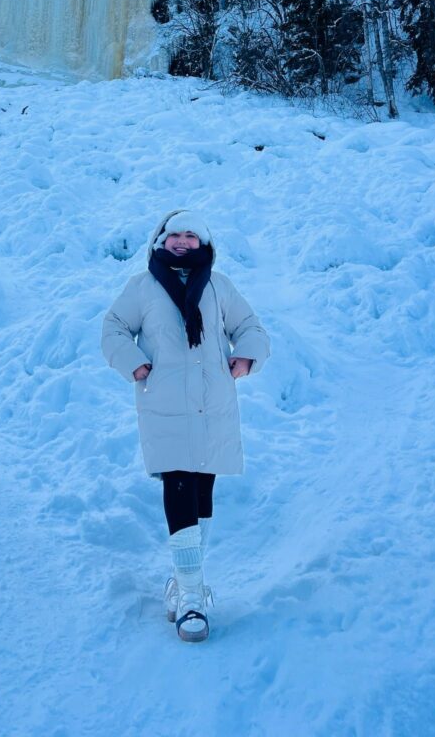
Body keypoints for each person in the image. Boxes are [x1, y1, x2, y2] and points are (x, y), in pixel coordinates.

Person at [101, 210, 270, 642]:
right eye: (173, 234)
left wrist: (246, 355)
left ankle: (184, 580)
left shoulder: (218, 287)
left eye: (190, 235)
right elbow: (114, 328)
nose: (181, 241)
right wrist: (135, 363)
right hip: (165, 407)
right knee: (177, 483)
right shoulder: (143, 287)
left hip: (212, 407)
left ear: (203, 243)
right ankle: (193, 597)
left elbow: (249, 326)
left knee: (202, 490)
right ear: (160, 240)